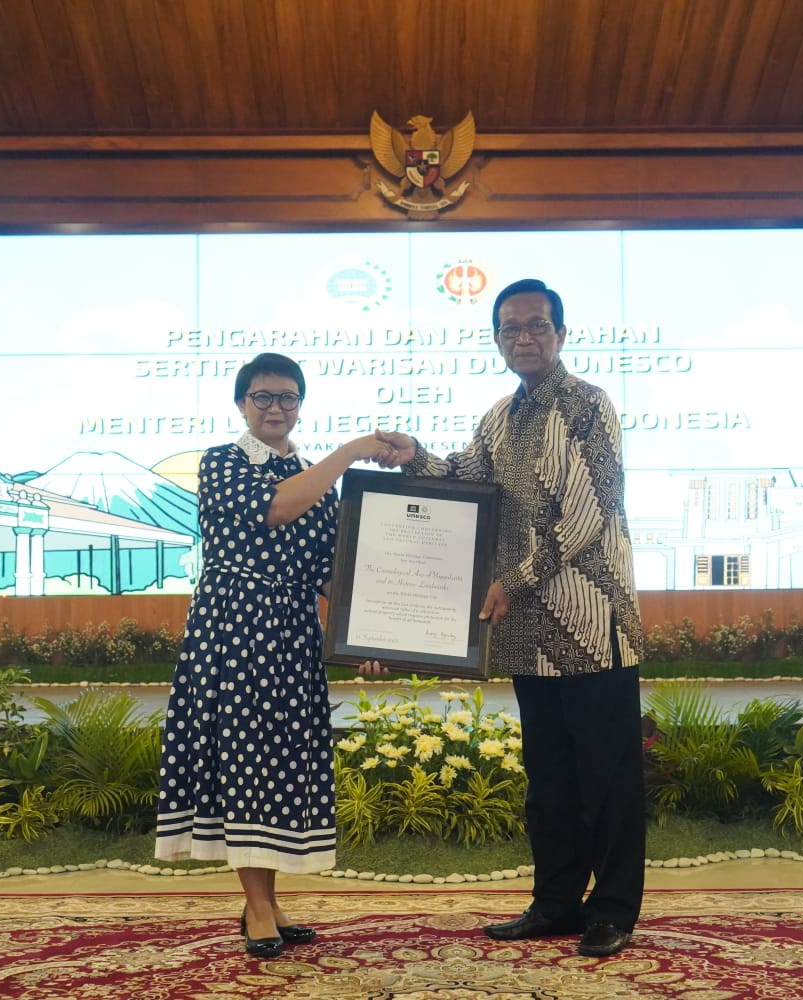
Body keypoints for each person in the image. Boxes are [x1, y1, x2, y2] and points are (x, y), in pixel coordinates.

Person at [375, 278, 646, 958]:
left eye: (537, 325)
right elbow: (467, 478)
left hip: (592, 624)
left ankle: (613, 909)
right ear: (498, 340)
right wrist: (414, 458)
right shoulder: (499, 417)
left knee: (607, 777)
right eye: (511, 328)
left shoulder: (590, 405)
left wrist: (514, 580)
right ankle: (555, 903)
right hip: (528, 632)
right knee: (549, 779)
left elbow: (590, 513)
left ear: (561, 333)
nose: (524, 337)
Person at [154, 352, 387, 959]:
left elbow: (328, 574)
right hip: (234, 628)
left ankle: (269, 903)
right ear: (242, 404)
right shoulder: (222, 462)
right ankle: (257, 907)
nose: (275, 408)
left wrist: (368, 636)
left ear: (300, 405)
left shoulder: (312, 476)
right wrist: (353, 449)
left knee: (279, 764)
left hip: (292, 635)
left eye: (288, 397)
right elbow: (276, 507)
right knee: (242, 761)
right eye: (263, 397)